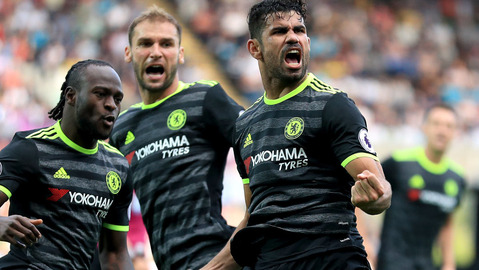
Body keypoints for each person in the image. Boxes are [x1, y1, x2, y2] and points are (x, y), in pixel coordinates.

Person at [203, 0, 392, 269]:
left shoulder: (332, 105)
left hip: (332, 259)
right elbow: (253, 217)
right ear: (254, 48)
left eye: (299, 30)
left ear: (308, 42)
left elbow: (381, 190)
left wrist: (376, 197)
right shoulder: (245, 126)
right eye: (279, 31)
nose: (293, 37)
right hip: (272, 263)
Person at [108, 5, 244, 270]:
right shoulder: (121, 128)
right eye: (145, 43)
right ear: (128, 53)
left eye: (166, 44)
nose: (156, 51)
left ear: (180, 54)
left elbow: (260, 142)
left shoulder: (205, 98)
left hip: (214, 256)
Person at [0, 59, 134, 269]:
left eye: (117, 98)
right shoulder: (30, 149)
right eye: (100, 94)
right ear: (71, 96)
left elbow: (115, 254)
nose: (111, 105)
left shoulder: (118, 168)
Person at [374, 103, 466, 270]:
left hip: (426, 263)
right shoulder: (399, 163)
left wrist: (448, 263)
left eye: (449, 126)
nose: (442, 131)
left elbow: (447, 222)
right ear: (424, 127)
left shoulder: (457, 178)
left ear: (455, 133)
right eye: (436, 123)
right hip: (393, 261)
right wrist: (364, 240)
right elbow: (361, 187)